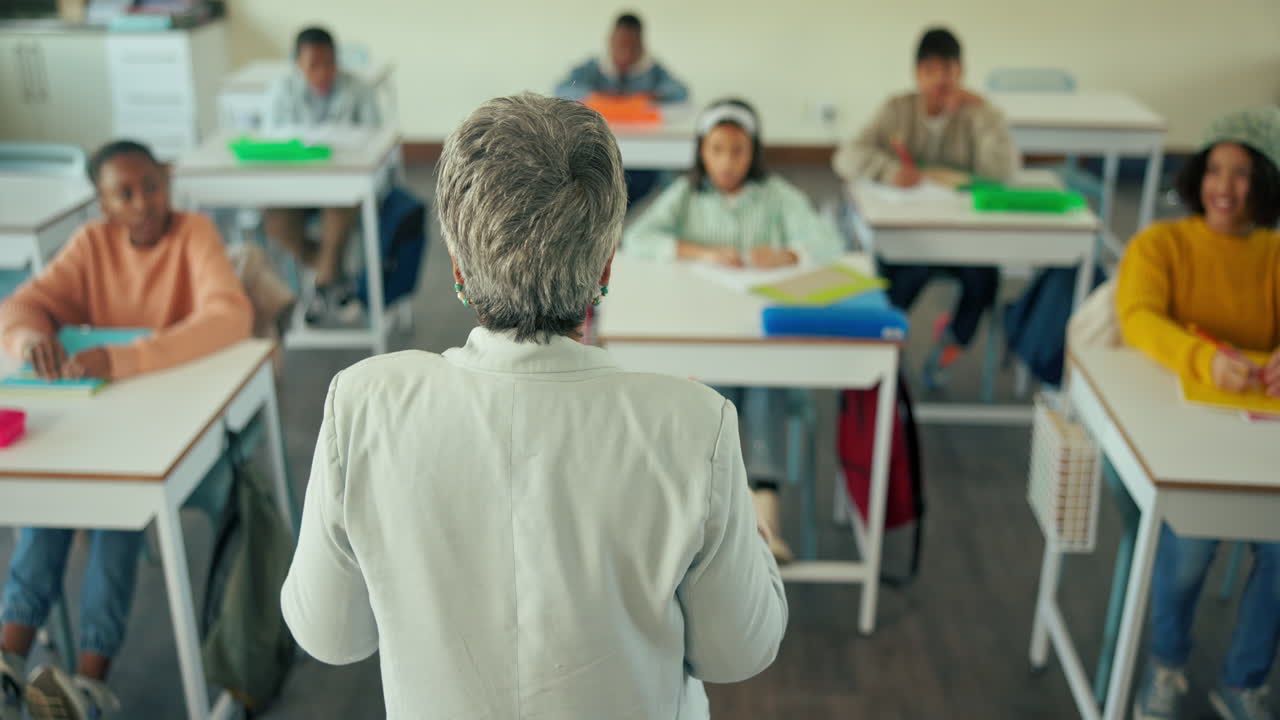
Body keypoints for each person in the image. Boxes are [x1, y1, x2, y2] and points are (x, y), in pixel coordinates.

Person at [280, 93, 787, 719]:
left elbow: (330, 635)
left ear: (459, 271)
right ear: (605, 267)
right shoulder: (693, 424)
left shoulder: (361, 404)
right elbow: (739, 652)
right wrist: (752, 541)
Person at [0, 140, 252, 720]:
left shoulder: (194, 235)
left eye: (152, 187)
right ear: (103, 204)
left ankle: (90, 681)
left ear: (167, 182)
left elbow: (229, 316)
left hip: (176, 420)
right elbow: (22, 306)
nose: (143, 203)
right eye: (125, 194)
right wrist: (33, 340)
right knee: (52, 496)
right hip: (106, 416)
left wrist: (123, 359)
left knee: (117, 517)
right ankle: (11, 659)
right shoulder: (91, 245)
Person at [624, 98, 843, 562]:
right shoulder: (686, 195)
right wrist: (698, 252)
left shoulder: (775, 195)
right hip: (704, 338)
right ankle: (726, 518)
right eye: (717, 149)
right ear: (702, 151)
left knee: (766, 377)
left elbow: (828, 241)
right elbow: (636, 238)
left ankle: (764, 517)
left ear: (754, 152)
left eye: (738, 150)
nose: (726, 162)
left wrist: (789, 255)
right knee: (717, 387)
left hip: (764, 335)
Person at [1118, 107, 1280, 720]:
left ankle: (1243, 681)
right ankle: (1167, 662)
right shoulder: (1162, 244)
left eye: (1242, 172)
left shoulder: (1274, 253)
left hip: (1259, 442)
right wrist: (1202, 359)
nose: (1225, 187)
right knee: (1187, 546)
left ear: (1264, 180)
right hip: (1176, 438)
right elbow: (1138, 318)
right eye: (1214, 168)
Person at [833, 26, 1018, 388]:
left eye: (950, 70)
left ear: (961, 73)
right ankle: (886, 349)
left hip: (964, 236)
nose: (941, 80)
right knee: (900, 273)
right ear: (917, 74)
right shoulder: (897, 110)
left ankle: (949, 346)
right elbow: (847, 155)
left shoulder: (979, 114)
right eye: (931, 71)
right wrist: (887, 171)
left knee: (985, 279)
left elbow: (1001, 172)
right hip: (911, 235)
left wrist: (982, 116)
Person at [262, 25, 383, 326]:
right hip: (293, 189)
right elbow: (270, 138)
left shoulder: (358, 90)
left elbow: (377, 139)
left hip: (342, 186)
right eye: (313, 65)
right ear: (297, 65)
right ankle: (333, 276)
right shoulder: (280, 91)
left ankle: (321, 284)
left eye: (330, 63)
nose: (323, 72)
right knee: (275, 221)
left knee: (340, 209)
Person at [555, 12, 690, 205]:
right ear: (610, 41)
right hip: (598, 149)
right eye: (620, 43)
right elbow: (562, 89)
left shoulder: (653, 71)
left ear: (641, 45)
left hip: (646, 155)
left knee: (669, 178)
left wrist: (649, 97)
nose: (625, 51)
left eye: (631, 45)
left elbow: (679, 92)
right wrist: (597, 98)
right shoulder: (592, 69)